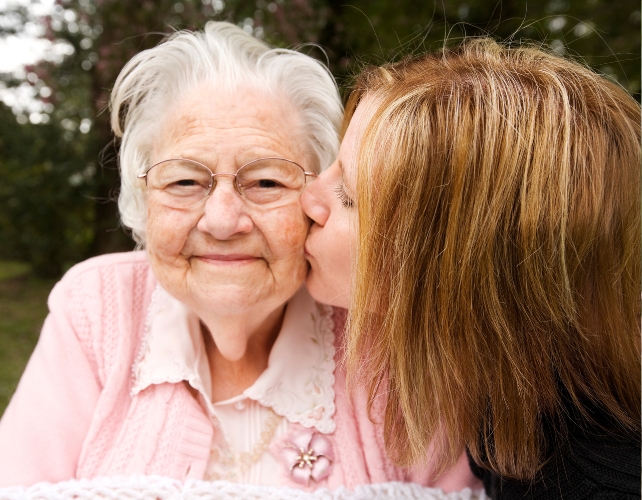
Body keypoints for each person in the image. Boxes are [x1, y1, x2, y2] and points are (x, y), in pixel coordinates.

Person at [0, 22, 481, 494]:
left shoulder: (380, 327)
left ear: (319, 200)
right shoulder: (96, 307)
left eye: (266, 182)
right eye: (184, 182)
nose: (223, 221)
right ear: (142, 200)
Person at [301, 38, 641, 498]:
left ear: (456, 273)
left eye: (348, 196)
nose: (307, 199)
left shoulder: (587, 481)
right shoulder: (509, 407)